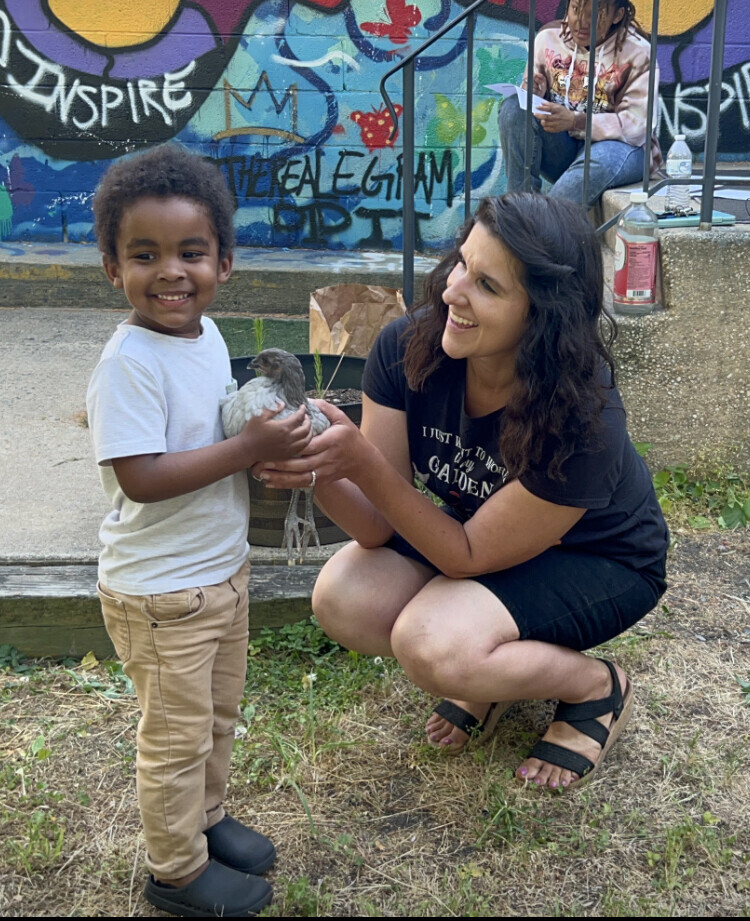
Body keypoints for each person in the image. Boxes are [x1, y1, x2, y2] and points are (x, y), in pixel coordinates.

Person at [254, 192, 669, 792]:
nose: (452, 291)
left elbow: (467, 556)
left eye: (487, 286)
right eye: (461, 264)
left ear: (544, 316)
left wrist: (362, 463)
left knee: (435, 647)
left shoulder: (583, 416)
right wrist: (319, 466)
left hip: (601, 559)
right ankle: (490, 675)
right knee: (345, 597)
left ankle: (595, 688)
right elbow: (376, 527)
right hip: (481, 538)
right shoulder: (407, 349)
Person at [86, 143, 312, 916]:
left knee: (215, 718)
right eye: (144, 254)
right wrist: (247, 449)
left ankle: (206, 820)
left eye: (191, 252)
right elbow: (142, 477)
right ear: (112, 268)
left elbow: (214, 432)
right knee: (175, 738)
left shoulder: (208, 336)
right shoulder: (128, 363)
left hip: (219, 573)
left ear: (224, 261)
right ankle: (176, 870)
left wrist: (271, 438)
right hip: (160, 593)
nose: (171, 272)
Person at [499, 0, 663, 207]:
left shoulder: (638, 52)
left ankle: (541, 221)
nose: (581, 22)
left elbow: (637, 127)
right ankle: (520, 208)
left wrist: (575, 121)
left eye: (594, 14)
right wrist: (535, 94)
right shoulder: (548, 38)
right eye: (575, 9)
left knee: (598, 161)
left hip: (622, 148)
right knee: (514, 107)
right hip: (566, 146)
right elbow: (529, 111)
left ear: (617, 15)